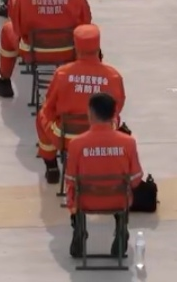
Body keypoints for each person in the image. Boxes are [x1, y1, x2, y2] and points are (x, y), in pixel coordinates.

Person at [39, 25, 126, 183]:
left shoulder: (62, 74)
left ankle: (51, 165)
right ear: (98, 46)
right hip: (104, 135)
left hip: (66, 137)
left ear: (76, 46)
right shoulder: (113, 76)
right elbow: (118, 107)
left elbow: (49, 107)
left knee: (42, 116)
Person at [63, 92, 143, 259]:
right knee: (123, 190)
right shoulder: (128, 142)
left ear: (90, 113)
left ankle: (78, 227)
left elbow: (70, 179)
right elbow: (136, 179)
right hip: (118, 200)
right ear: (114, 114)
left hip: (85, 201)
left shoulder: (76, 144)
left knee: (72, 189)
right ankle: (121, 227)